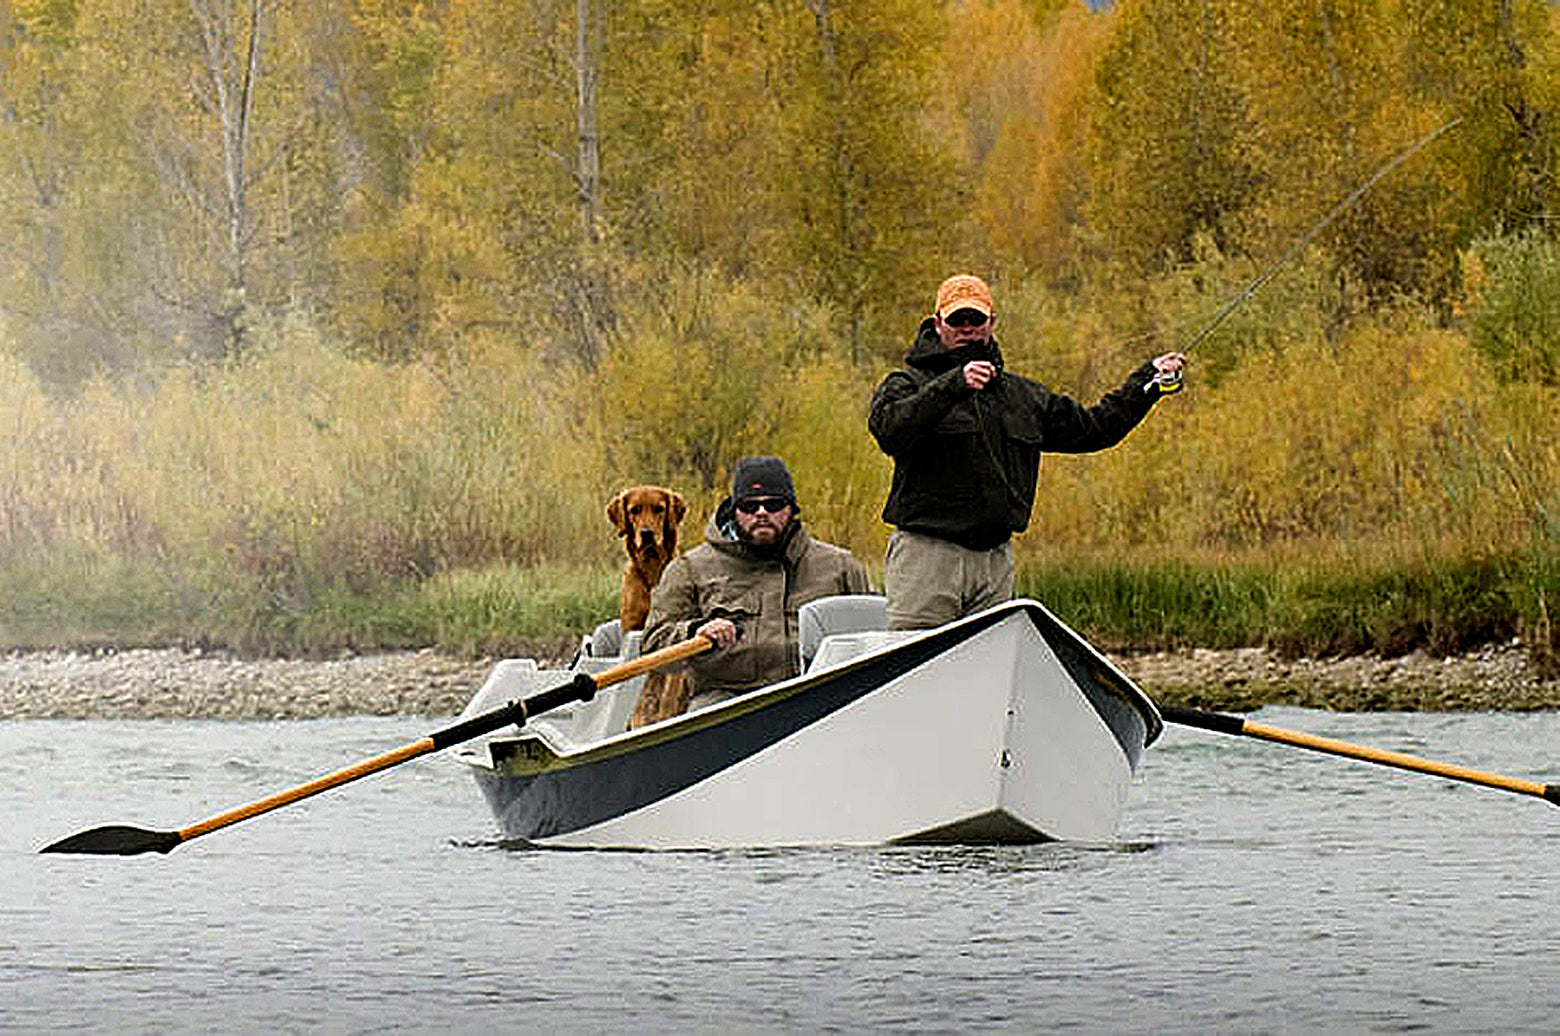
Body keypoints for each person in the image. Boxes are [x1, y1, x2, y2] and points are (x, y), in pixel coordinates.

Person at [868, 273, 1185, 630]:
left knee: (989, 675)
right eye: (957, 319)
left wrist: (1147, 383)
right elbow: (888, 430)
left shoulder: (1022, 396)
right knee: (914, 671)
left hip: (995, 562)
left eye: (976, 319)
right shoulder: (907, 384)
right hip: (927, 558)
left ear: (992, 323)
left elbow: (1095, 429)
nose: (967, 328)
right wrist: (953, 386)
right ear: (938, 323)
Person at [640, 456, 870, 710]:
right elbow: (653, 648)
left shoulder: (842, 566)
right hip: (725, 707)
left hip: (820, 701)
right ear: (733, 510)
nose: (761, 513)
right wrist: (696, 631)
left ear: (792, 509)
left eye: (773, 504)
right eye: (750, 506)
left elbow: (879, 639)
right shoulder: (689, 569)